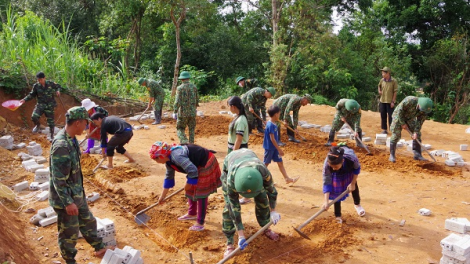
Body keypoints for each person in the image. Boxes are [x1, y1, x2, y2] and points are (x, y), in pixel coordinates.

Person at [49, 106, 110, 264]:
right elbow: (58, 179)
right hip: (66, 199)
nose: (86, 127)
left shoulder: (72, 139)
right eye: (85, 123)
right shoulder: (61, 146)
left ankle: (99, 247)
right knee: (69, 232)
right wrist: (68, 203)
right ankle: (70, 260)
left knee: (88, 220)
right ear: (77, 123)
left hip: (76, 193)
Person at [221, 148, 281, 257]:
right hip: (232, 163)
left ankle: (265, 227)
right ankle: (229, 243)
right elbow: (234, 209)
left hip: (251, 164)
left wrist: (273, 211)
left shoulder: (262, 171)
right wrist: (241, 236)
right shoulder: (231, 180)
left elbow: (272, 192)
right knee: (228, 208)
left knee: (263, 199)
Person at [149, 141, 221, 231]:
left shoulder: (177, 156)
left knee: (201, 193)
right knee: (190, 188)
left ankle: (200, 223)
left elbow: (192, 170)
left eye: (156, 159)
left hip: (205, 162)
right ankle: (192, 213)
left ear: (161, 156)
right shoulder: (168, 161)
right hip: (195, 166)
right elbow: (169, 177)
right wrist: (162, 196)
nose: (156, 161)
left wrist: (188, 183)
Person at [321, 146, 365, 224]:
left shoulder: (351, 158)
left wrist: (352, 183)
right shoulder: (327, 164)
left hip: (348, 170)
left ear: (343, 161)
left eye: (336, 167)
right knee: (336, 192)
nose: (333, 168)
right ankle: (338, 215)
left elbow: (356, 169)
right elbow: (327, 182)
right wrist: (326, 201)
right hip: (337, 175)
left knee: (353, 187)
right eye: (332, 167)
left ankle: (357, 205)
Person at [389, 96, 433, 163]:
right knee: (396, 134)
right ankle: (392, 155)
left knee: (417, 135)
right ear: (418, 105)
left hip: (410, 118)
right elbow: (399, 111)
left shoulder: (424, 110)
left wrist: (416, 132)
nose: (422, 112)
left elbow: (419, 122)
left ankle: (417, 155)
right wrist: (402, 123)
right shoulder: (410, 100)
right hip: (398, 116)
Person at [19, 71, 62, 139]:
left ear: (44, 78)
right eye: (38, 80)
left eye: (41, 79)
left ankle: (52, 136)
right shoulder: (36, 86)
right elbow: (32, 94)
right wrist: (24, 99)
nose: (39, 81)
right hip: (40, 105)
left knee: (51, 123)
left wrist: (58, 90)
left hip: (50, 105)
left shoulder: (51, 83)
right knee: (34, 116)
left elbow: (58, 86)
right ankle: (38, 125)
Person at [263, 105, 299, 184]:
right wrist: (279, 149)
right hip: (270, 148)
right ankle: (259, 178)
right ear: (276, 114)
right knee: (265, 164)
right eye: (279, 114)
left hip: (274, 148)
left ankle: (287, 179)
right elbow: (272, 139)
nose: (279, 115)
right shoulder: (270, 125)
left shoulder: (274, 123)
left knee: (280, 162)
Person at [173, 71, 199, 144]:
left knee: (180, 128)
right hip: (192, 112)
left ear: (181, 79)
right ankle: (191, 144)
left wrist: (175, 111)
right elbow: (197, 99)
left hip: (182, 113)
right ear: (188, 78)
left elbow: (177, 101)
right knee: (192, 129)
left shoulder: (180, 88)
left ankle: (184, 142)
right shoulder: (194, 87)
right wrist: (195, 109)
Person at [378, 67, 398, 134]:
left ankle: (392, 130)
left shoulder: (393, 81)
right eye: (382, 72)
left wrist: (393, 101)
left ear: (388, 73)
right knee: (383, 115)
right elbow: (379, 86)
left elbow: (395, 92)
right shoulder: (382, 80)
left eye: (383, 73)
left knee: (391, 116)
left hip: (390, 102)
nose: (382, 74)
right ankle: (384, 129)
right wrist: (379, 91)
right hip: (382, 101)